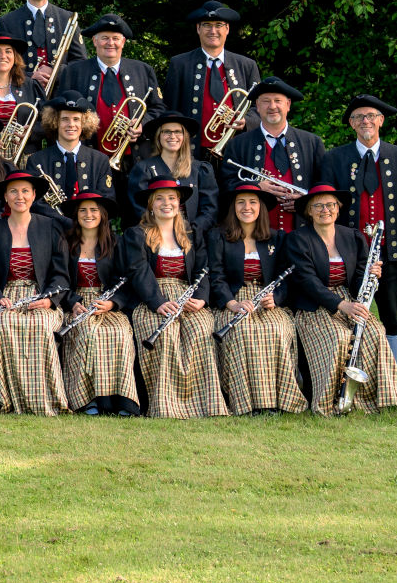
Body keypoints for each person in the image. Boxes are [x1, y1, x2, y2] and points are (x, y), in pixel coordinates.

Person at [286, 185, 397, 415]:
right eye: (318, 206)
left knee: (375, 332)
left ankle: (376, 398)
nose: (325, 210)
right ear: (309, 211)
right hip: (316, 306)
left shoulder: (352, 236)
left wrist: (371, 274)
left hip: (350, 299)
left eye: (331, 205)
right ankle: (332, 401)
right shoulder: (298, 239)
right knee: (339, 336)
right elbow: (306, 281)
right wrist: (341, 305)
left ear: (338, 209)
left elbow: (358, 279)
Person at [315, 94, 397, 370]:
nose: (365, 121)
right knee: (352, 312)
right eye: (359, 117)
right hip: (350, 253)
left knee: (392, 314)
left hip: (390, 250)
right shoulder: (335, 158)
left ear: (381, 121)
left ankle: (395, 373)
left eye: (371, 116)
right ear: (351, 124)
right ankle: (351, 368)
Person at [123, 176, 230, 418]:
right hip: (153, 299)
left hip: (188, 297)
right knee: (165, 333)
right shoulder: (136, 234)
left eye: (171, 198)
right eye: (159, 198)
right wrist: (158, 302)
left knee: (201, 328)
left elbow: (205, 268)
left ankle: (204, 404)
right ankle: (165, 404)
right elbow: (137, 271)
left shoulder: (192, 234)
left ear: (179, 202)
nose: (166, 203)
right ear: (151, 204)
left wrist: (202, 298)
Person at [0, 171, 71, 415]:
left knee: (42, 326)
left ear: (33, 195)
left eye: (25, 191)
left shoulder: (51, 228)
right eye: (13, 191)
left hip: (40, 295)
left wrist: (50, 299)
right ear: (6, 197)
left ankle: (45, 399)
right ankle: (8, 400)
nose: (19, 196)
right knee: (4, 324)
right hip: (6, 296)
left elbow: (60, 274)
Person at [213, 185, 306, 415]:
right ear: (233, 208)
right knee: (243, 332)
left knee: (276, 329)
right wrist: (232, 303)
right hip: (234, 301)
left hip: (266, 301)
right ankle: (246, 402)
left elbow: (286, 277)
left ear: (261, 207)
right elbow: (216, 276)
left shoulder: (277, 238)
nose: (247, 207)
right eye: (241, 202)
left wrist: (276, 297)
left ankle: (278, 400)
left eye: (253, 202)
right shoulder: (219, 237)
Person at [61, 190, 141, 416]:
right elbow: (59, 278)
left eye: (94, 210)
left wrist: (113, 303)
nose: (88, 214)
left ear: (103, 214)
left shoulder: (117, 243)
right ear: (76, 214)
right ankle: (92, 398)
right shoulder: (66, 242)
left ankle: (123, 398)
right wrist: (73, 303)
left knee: (119, 332)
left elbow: (126, 280)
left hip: (106, 303)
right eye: (83, 210)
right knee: (88, 332)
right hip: (78, 304)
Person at [219, 77, 322, 232]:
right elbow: (225, 187)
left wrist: (305, 203)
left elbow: (324, 187)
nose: (272, 106)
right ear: (258, 107)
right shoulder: (238, 144)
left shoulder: (312, 143)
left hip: (302, 236)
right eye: (266, 101)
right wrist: (256, 187)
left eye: (278, 101)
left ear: (288, 105)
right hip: (254, 236)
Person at [55, 14, 163, 158]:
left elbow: (159, 109)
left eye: (115, 38)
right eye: (105, 38)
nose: (110, 43)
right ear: (95, 41)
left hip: (136, 157)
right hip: (89, 157)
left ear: (123, 42)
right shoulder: (74, 72)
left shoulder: (143, 70)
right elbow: (58, 112)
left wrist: (143, 123)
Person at [163, 1, 259, 152]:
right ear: (198, 29)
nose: (213, 30)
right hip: (191, 152)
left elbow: (258, 107)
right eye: (207, 24)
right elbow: (169, 109)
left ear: (227, 29)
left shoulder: (246, 65)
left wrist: (247, 121)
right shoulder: (180, 64)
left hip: (236, 150)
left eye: (219, 25)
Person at [0, 0, 85, 89]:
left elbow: (80, 63)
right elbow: (1, 64)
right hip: (22, 93)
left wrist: (56, 72)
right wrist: (30, 76)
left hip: (61, 95)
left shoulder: (68, 19)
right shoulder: (7, 21)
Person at [123, 111, 218, 235]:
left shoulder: (200, 170)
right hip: (155, 237)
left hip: (194, 237)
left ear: (185, 136)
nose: (172, 136)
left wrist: (192, 231)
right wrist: (163, 231)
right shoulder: (143, 169)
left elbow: (209, 209)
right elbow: (140, 209)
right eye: (167, 131)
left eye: (178, 132)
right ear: (158, 136)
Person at [26, 92, 113, 211]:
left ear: (84, 123)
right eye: (65, 119)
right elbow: (35, 203)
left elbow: (107, 200)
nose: (71, 124)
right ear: (55, 122)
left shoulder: (100, 160)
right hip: (51, 227)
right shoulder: (37, 160)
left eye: (76, 119)